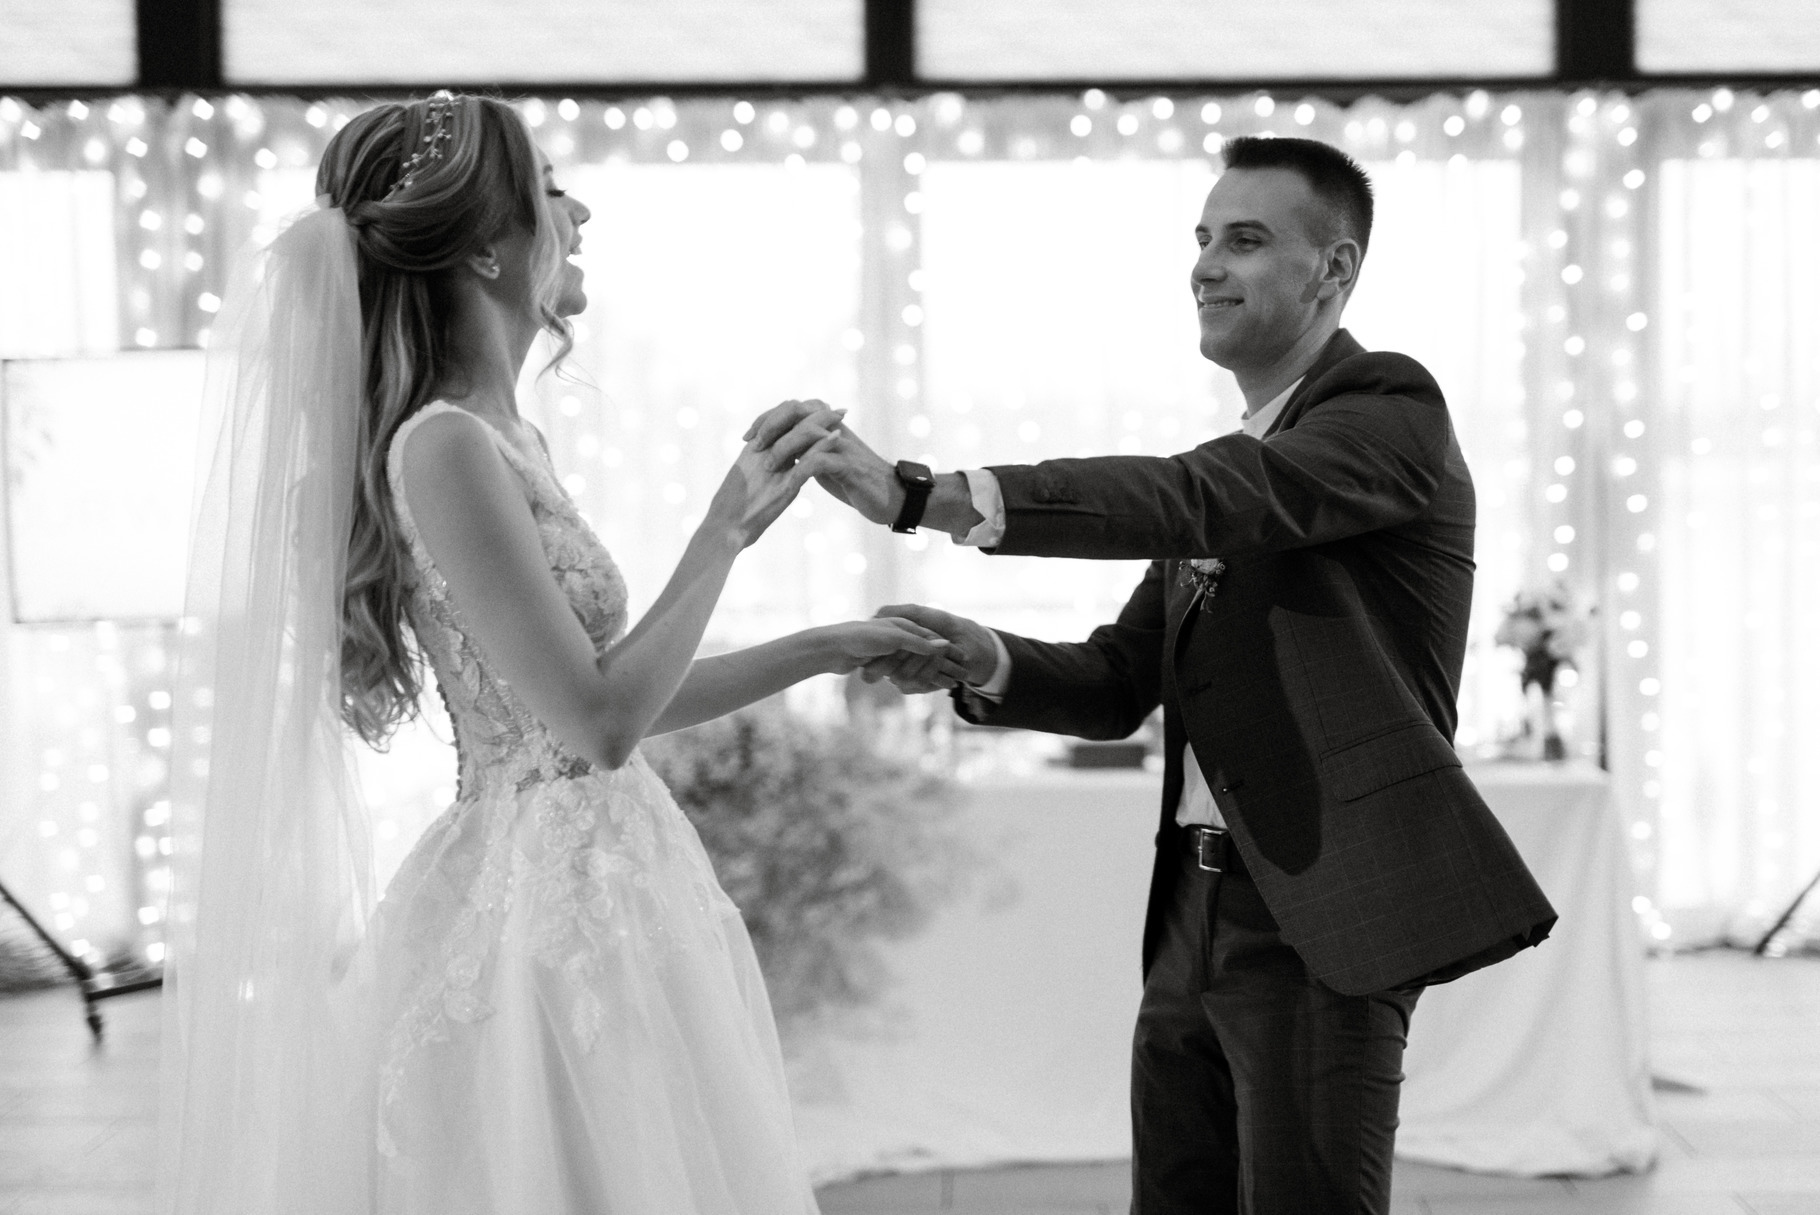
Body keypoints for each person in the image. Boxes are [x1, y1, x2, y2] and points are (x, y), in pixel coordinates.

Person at [159, 92, 956, 1215]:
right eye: (549, 191)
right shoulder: (443, 446)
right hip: (543, 903)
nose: (579, 215)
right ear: (486, 249)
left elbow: (604, 697)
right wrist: (724, 528)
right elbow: (596, 726)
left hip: (612, 871)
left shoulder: (506, 436)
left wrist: (831, 644)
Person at [751, 136, 1558, 1214]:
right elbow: (1118, 677)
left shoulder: (1386, 411)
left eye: (1245, 240)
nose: (1205, 265)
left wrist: (922, 496)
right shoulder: (1234, 471)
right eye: (1202, 238)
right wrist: (982, 658)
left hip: (1317, 917)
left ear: (1333, 269)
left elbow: (1201, 497)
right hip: (1191, 911)